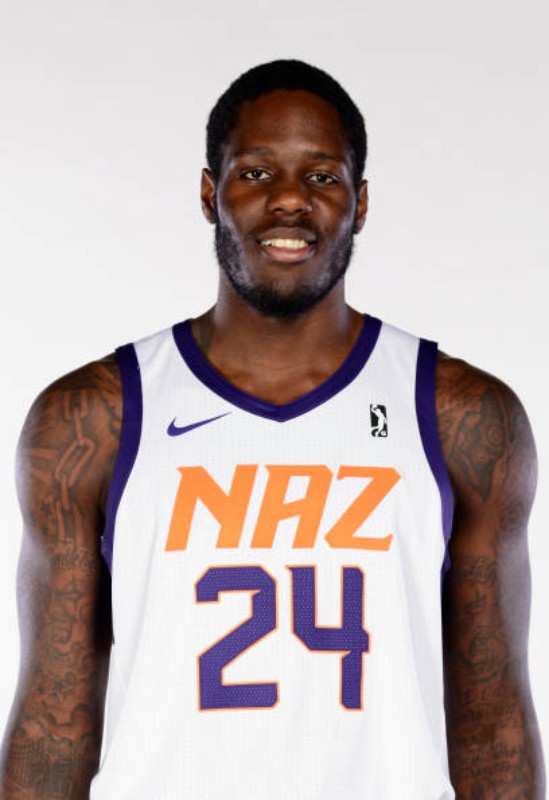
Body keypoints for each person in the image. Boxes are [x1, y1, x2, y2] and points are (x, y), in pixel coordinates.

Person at [0, 59, 544, 799]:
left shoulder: (464, 416)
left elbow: (492, 726)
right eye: (256, 173)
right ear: (209, 193)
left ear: (360, 202)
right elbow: (52, 726)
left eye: (322, 176)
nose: (289, 200)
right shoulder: (92, 416)